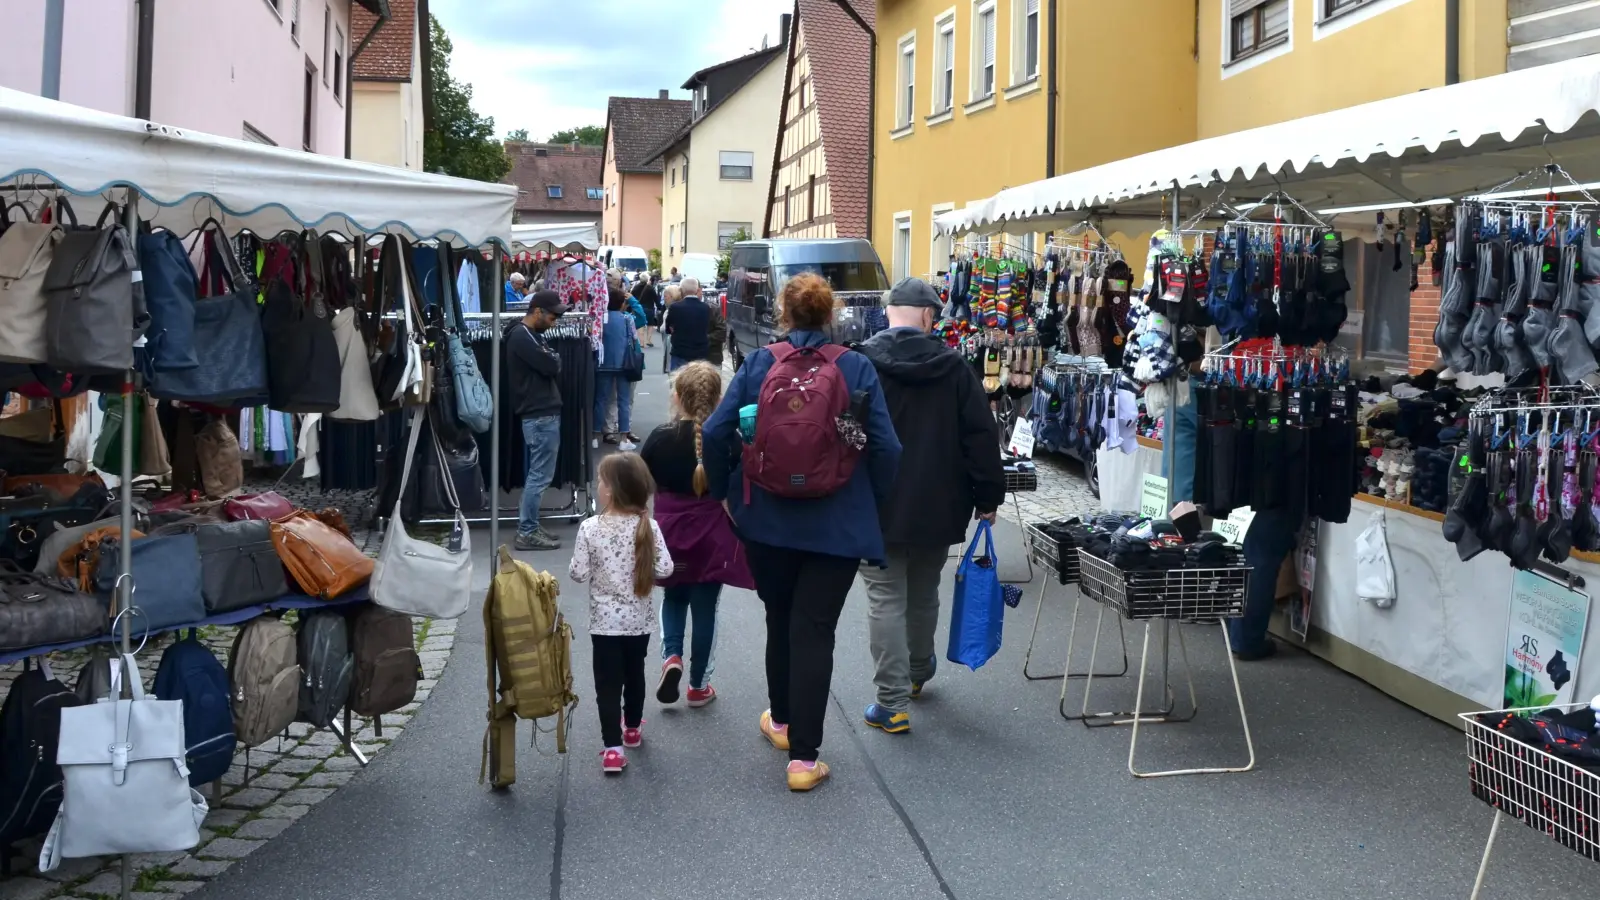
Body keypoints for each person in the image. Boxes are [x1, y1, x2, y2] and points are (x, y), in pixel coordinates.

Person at [702, 273, 901, 792]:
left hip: (766, 518)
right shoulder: (855, 366)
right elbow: (887, 448)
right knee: (815, 630)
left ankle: (783, 722)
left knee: (780, 618)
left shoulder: (762, 363)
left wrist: (726, 488)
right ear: (831, 313)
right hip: (836, 522)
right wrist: (867, 500)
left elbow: (714, 431)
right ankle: (805, 760)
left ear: (783, 315)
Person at [856, 278, 1006, 733]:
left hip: (877, 503)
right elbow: (980, 436)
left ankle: (892, 701)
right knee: (923, 591)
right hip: (940, 503)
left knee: (884, 596)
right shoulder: (955, 367)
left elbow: (846, 431)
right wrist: (989, 497)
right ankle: (918, 672)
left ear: (889, 313)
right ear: (926, 316)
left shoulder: (861, 363)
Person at [642, 362, 752, 709]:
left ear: (676, 396)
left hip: (670, 531)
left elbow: (643, 485)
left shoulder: (660, 437)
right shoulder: (728, 440)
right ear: (719, 399)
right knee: (706, 607)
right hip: (712, 534)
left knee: (673, 598)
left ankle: (671, 656)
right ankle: (699, 685)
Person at [568, 453, 674, 775]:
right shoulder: (648, 527)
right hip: (638, 623)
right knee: (634, 674)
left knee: (607, 684)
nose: (598, 486)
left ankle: (612, 749)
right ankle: (632, 729)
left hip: (604, 625)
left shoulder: (590, 528)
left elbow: (577, 573)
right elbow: (666, 568)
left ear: (610, 490)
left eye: (601, 481)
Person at [507, 289, 566, 551]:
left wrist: (552, 358)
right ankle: (527, 530)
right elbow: (552, 365)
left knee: (538, 474)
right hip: (540, 413)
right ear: (538, 312)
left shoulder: (528, 335)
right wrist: (553, 358)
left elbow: (552, 361)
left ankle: (529, 525)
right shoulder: (522, 336)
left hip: (540, 413)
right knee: (539, 476)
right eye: (553, 317)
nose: (555, 322)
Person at [595, 290, 638, 451]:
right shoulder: (627, 318)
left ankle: (594, 435)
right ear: (622, 303)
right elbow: (633, 338)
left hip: (603, 362)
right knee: (623, 401)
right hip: (623, 363)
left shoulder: (600, 318)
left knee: (600, 400)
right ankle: (624, 438)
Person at [665, 277, 711, 371]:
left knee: (678, 382)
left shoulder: (675, 307)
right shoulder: (705, 308)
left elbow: (668, 328)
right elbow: (707, 328)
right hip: (700, 353)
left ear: (681, 290)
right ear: (697, 290)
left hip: (680, 351)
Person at [660, 285, 681, 374]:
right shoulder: (669, 309)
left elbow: (665, 328)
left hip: (672, 347)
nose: (664, 299)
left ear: (672, 296)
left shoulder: (672, 310)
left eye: (665, 296)